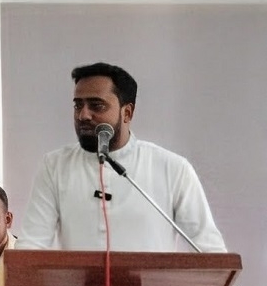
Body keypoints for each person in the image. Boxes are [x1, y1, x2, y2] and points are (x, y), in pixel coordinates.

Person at [19, 62, 226, 252]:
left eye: (96, 106)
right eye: (78, 105)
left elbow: (210, 251)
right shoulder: (55, 166)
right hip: (77, 284)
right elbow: (31, 246)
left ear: (127, 113)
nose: (83, 115)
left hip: (152, 284)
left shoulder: (172, 168)